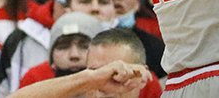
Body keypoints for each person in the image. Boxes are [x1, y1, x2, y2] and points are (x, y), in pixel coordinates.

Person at [8, 29, 157, 98]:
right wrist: (90, 80)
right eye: (97, 71)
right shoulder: (89, 81)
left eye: (117, 74)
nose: (105, 83)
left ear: (141, 76)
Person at [17, 11, 104, 87]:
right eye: (63, 46)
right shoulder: (35, 80)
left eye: (85, 46)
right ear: (52, 57)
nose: (74, 55)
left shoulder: (114, 82)